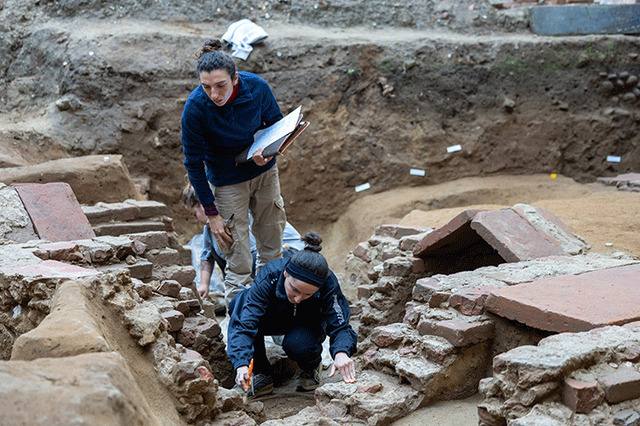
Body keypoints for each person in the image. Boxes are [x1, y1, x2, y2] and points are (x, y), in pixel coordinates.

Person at [181, 39, 287, 304]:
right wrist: (212, 214)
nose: (214, 94)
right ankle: (243, 336)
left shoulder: (257, 88)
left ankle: (274, 318)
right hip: (227, 182)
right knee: (238, 259)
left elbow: (277, 124)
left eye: (221, 86)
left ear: (235, 78)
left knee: (272, 248)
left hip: (264, 173)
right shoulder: (195, 109)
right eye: (206, 87)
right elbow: (193, 164)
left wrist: (269, 149)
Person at [226, 231, 358, 398]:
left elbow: (340, 324)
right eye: (294, 290)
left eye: (307, 295)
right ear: (286, 273)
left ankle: (310, 367)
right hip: (272, 318)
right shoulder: (270, 275)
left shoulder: (328, 282)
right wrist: (241, 363)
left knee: (298, 345)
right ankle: (261, 373)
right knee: (240, 302)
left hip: (307, 322)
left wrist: (341, 352)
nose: (297, 298)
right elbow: (245, 323)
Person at [181, 183, 304, 300]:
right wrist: (204, 285)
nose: (196, 220)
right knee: (221, 252)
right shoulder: (210, 227)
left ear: (203, 206)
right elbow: (206, 255)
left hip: (292, 253)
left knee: (240, 262)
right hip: (260, 258)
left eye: (194, 214)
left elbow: (252, 255)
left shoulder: (234, 214)